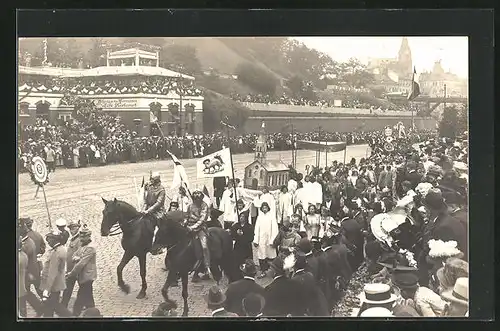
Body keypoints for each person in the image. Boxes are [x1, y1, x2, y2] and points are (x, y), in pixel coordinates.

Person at [65, 224, 97, 316]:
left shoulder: (90, 248)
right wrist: (77, 257)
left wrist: (71, 274)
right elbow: (74, 255)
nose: (82, 239)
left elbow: (81, 264)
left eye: (84, 237)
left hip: (87, 276)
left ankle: (75, 314)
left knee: (80, 297)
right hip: (83, 276)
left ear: (89, 236)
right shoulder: (83, 245)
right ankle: (92, 312)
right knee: (88, 295)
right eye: (81, 237)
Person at [39, 230, 72, 317]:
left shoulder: (56, 253)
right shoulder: (60, 249)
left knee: (55, 306)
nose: (47, 241)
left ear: (55, 240)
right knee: (49, 307)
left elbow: (52, 273)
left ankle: (69, 317)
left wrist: (47, 289)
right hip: (57, 283)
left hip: (53, 285)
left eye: (49, 239)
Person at [185, 189, 211, 281]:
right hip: (189, 227)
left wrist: (193, 227)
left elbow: (202, 219)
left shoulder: (204, 206)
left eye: (198, 199)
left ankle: (207, 267)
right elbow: (186, 216)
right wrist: (185, 224)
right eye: (195, 199)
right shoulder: (190, 206)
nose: (197, 201)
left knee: (204, 247)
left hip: (200, 229)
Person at [18, 235, 43, 317]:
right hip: (29, 271)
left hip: (27, 272)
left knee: (23, 293)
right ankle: (39, 307)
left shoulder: (25, 248)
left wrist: (29, 273)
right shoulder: (30, 240)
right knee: (26, 292)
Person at [253, 202, 279, 279]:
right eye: (263, 208)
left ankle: (274, 271)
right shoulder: (259, 217)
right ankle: (263, 271)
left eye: (266, 207)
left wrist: (272, 240)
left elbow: (275, 229)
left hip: (269, 238)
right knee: (262, 255)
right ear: (261, 209)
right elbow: (257, 229)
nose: (264, 209)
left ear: (268, 208)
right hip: (261, 239)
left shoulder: (272, 216)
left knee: (271, 256)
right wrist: (256, 240)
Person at [61, 219, 82, 308]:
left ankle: (86, 305)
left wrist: (73, 270)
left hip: (76, 269)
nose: (71, 230)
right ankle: (63, 305)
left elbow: (80, 255)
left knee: (83, 288)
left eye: (73, 228)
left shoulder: (80, 239)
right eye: (70, 228)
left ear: (78, 228)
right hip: (71, 269)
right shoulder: (73, 239)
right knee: (68, 287)